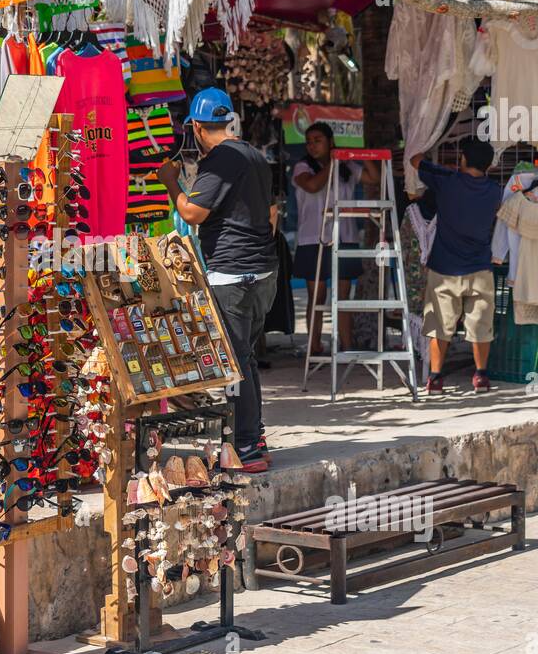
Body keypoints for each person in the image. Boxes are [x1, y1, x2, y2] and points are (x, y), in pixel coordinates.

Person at [156, 88, 278, 472]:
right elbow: (272, 215)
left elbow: (192, 212)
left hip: (234, 276)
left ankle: (246, 448)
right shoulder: (256, 156)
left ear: (195, 126)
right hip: (262, 273)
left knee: (236, 364)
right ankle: (253, 436)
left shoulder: (220, 161)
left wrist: (169, 182)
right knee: (247, 357)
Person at [409, 139, 502, 393]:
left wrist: (431, 154)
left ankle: (436, 378)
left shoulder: (447, 181)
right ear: (489, 164)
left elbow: (415, 160)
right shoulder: (495, 191)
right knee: (481, 325)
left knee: (439, 325)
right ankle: (481, 376)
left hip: (444, 269)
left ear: (462, 158)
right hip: (480, 268)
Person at [292, 122, 380, 356]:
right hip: (313, 238)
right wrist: (334, 161)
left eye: (317, 140)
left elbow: (374, 177)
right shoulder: (302, 166)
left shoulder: (347, 166)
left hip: (345, 236)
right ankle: (314, 346)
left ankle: (346, 345)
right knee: (317, 295)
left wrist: (360, 152)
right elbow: (311, 186)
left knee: (343, 295)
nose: (312, 145)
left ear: (331, 141)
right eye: (309, 141)